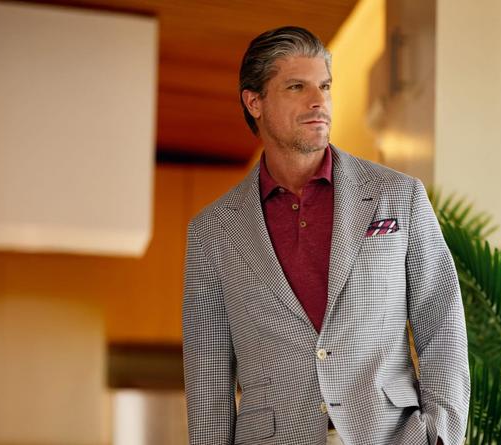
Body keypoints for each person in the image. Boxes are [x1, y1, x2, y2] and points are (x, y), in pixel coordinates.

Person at [182, 26, 469, 445]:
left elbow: (442, 322)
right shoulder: (212, 231)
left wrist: (440, 436)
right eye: (297, 87)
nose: (318, 100)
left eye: (325, 86)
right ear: (254, 101)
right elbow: (208, 369)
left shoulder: (398, 196)